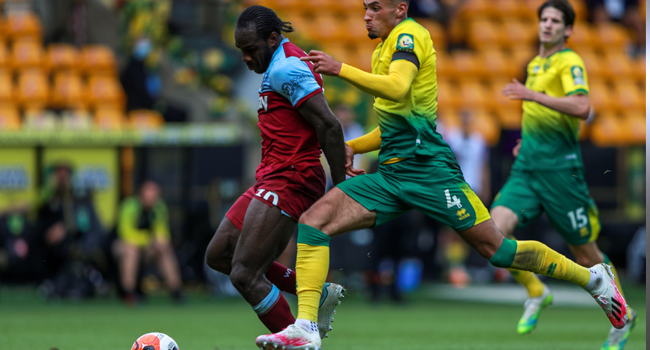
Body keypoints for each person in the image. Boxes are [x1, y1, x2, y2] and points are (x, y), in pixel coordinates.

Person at [255, 1, 629, 349]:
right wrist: (356, 146)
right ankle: (306, 328)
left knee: (497, 250)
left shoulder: (410, 35)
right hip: (392, 174)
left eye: (375, 8)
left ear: (399, 9)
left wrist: (340, 68)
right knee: (314, 221)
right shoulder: (382, 48)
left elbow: (398, 88)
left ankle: (594, 278)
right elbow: (395, 123)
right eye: (364, 8)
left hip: (431, 171)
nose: (367, 15)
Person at [491, 1, 637, 348]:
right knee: (492, 233)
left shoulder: (569, 61)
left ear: (568, 29)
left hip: (560, 174)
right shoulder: (536, 63)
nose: (548, 25)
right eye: (544, 19)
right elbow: (541, 118)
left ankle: (623, 315)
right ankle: (536, 290)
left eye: (556, 20)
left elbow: (582, 107)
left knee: (587, 257)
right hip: (527, 169)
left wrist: (531, 94)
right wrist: (527, 142)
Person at [204, 5, 347, 341]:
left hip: (292, 176)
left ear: (272, 38)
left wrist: (342, 188)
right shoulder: (281, 63)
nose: (246, 58)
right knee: (220, 255)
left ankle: (297, 341)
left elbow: (329, 124)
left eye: (251, 50)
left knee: (244, 273)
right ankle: (312, 292)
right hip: (273, 175)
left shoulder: (286, 68)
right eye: (241, 51)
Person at [116, 180, 183, 304]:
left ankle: (176, 291)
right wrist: (150, 239)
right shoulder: (129, 206)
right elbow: (126, 234)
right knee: (131, 250)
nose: (152, 196)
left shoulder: (159, 207)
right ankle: (129, 292)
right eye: (149, 192)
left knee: (165, 249)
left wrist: (160, 241)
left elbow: (162, 231)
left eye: (155, 193)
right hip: (122, 247)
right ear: (141, 193)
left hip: (146, 248)